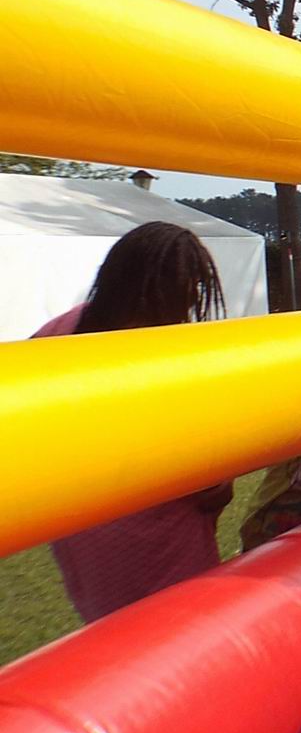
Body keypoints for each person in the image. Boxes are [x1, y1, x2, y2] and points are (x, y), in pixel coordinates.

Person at [37, 222, 233, 621]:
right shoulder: (164, 351)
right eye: (188, 287)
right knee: (177, 628)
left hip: (84, 519)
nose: (192, 300)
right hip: (152, 528)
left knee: (121, 634)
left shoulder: (62, 333)